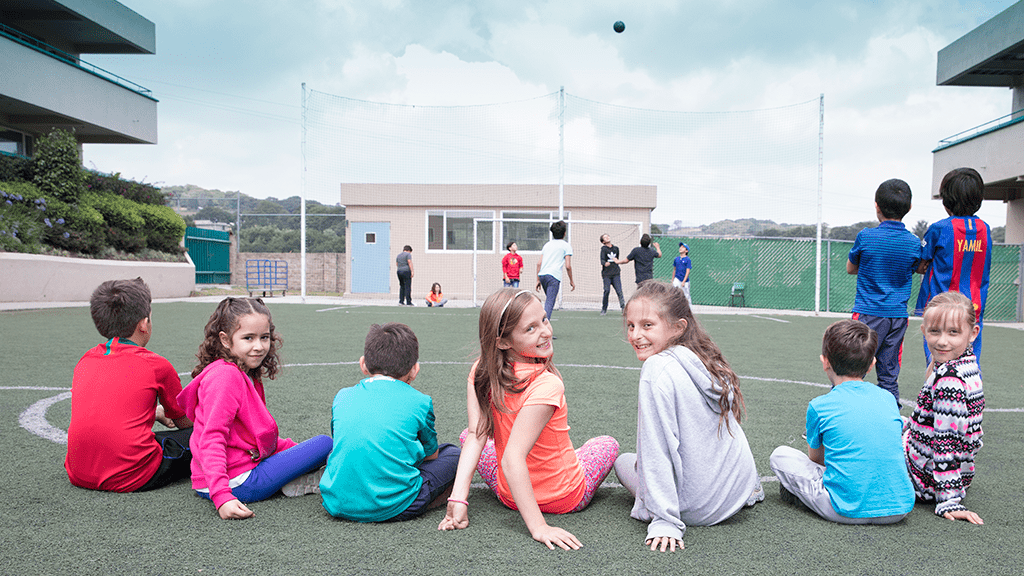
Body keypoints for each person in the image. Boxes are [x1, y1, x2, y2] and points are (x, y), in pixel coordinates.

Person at [438, 288, 619, 550]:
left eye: (544, 320)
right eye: (530, 329)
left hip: (509, 494)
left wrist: (458, 498)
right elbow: (513, 458)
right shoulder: (547, 384)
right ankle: (571, 462)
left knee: (469, 435)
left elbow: (478, 436)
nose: (545, 332)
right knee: (607, 443)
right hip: (564, 497)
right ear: (502, 341)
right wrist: (539, 527)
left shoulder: (481, 370)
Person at [614, 281, 761, 552]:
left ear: (678, 327)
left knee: (623, 462)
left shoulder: (656, 369)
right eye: (631, 325)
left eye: (647, 325)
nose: (635, 335)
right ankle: (751, 488)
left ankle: (667, 510)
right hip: (737, 490)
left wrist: (665, 521)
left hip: (696, 507)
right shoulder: (703, 357)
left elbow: (658, 448)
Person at [178, 297, 333, 520]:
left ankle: (297, 482)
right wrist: (222, 497)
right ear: (225, 340)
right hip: (236, 483)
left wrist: (298, 454)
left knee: (316, 450)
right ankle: (314, 479)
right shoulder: (225, 377)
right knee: (326, 444)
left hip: (235, 473)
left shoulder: (243, 373)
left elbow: (254, 437)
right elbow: (212, 438)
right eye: (248, 338)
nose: (259, 346)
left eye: (264, 337)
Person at [769, 320, 915, 525]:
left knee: (780, 455)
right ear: (872, 365)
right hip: (898, 510)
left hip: (843, 509)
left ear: (825, 361)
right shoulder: (888, 399)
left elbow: (817, 460)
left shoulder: (819, 406)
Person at [320, 323, 460, 522]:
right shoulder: (420, 401)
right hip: (397, 505)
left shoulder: (342, 396)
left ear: (363, 364)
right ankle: (433, 499)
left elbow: (340, 441)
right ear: (414, 370)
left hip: (336, 503)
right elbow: (432, 454)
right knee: (453, 454)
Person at [65, 278, 194, 492]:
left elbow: (106, 412)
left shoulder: (85, 360)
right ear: (144, 324)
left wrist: (155, 414)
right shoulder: (156, 365)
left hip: (77, 473)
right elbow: (185, 422)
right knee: (207, 436)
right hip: (133, 475)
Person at [905, 291, 984, 524]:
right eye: (934, 331)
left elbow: (946, 440)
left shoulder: (950, 379)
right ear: (924, 331)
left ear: (973, 333)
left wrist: (949, 499)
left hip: (923, 479)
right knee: (896, 421)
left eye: (953, 332)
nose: (942, 341)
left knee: (866, 434)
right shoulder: (967, 364)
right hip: (962, 473)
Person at [846, 178, 921, 405]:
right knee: (889, 373)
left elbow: (851, 268)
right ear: (908, 208)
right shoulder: (913, 242)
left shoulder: (866, 236)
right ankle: (890, 423)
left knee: (851, 367)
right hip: (897, 317)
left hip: (868, 313)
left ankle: (836, 420)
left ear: (876, 205)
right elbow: (918, 267)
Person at [915, 167, 992, 362]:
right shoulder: (985, 229)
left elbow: (921, 265)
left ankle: (939, 391)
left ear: (946, 201)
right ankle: (971, 391)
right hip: (973, 307)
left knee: (938, 360)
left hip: (940, 307)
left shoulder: (940, 228)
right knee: (970, 361)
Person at [535, 221, 575, 321]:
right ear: (564, 233)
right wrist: (571, 280)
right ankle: (544, 331)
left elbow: (539, 263)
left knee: (548, 301)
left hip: (543, 275)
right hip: (553, 276)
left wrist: (538, 280)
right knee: (549, 303)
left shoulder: (547, 245)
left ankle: (543, 328)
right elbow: (568, 266)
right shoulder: (566, 246)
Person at [599, 233, 625, 316]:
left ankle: (623, 308)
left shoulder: (616, 248)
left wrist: (616, 261)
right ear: (603, 241)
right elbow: (602, 260)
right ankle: (604, 309)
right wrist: (605, 263)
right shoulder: (603, 249)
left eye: (608, 236)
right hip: (607, 274)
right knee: (607, 291)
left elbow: (617, 259)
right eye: (605, 237)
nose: (607, 237)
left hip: (616, 273)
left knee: (619, 291)